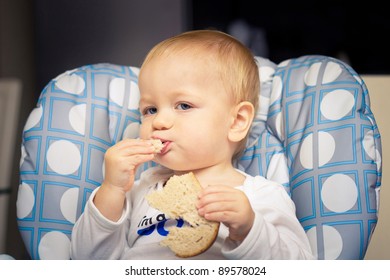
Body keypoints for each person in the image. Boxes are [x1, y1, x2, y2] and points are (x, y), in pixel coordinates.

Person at [70, 30, 314, 260]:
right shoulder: (138, 192)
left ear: (237, 122)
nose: (159, 121)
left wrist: (250, 229)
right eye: (150, 110)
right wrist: (111, 188)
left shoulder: (261, 196)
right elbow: (86, 260)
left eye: (184, 106)